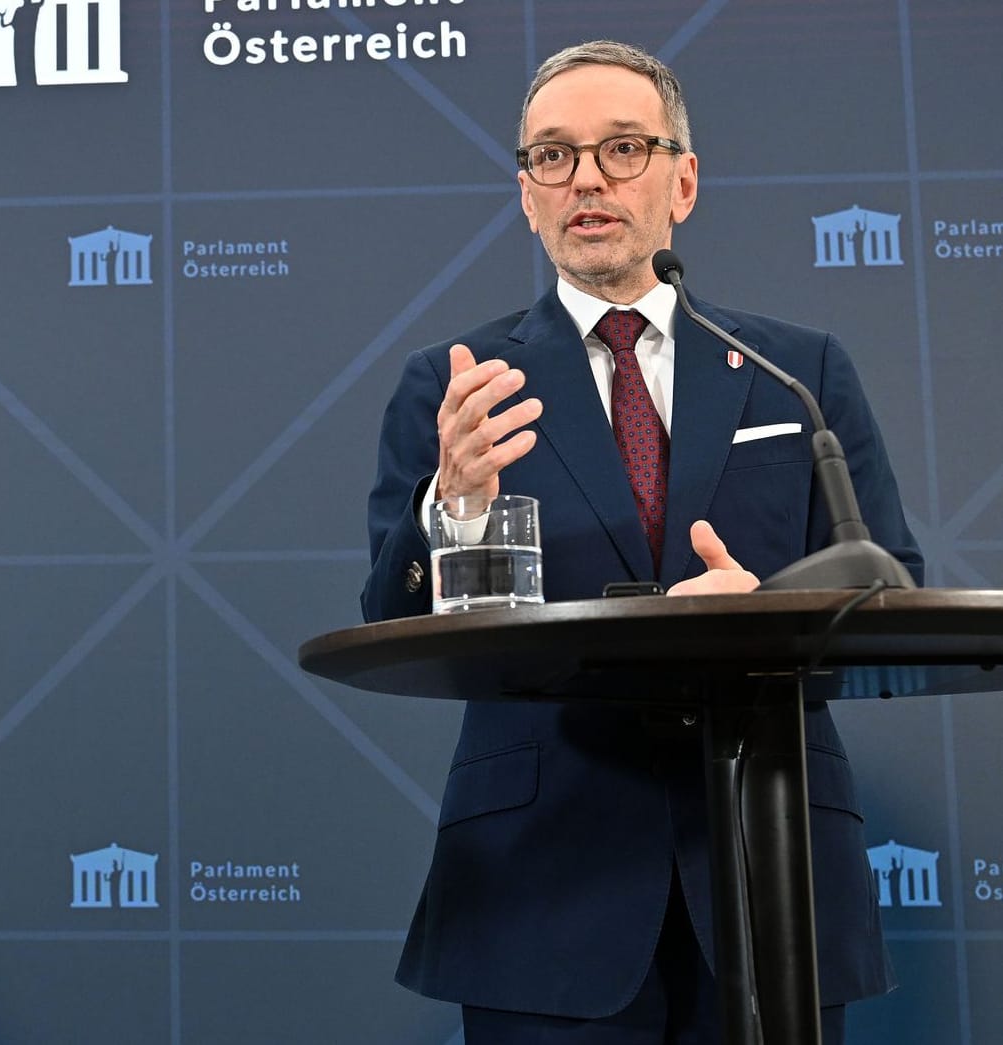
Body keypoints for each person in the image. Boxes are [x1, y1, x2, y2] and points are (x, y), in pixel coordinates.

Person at [359, 40, 921, 1044]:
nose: (587, 179)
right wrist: (453, 502)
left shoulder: (794, 373)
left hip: (768, 866)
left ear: (683, 180)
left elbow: (890, 591)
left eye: (622, 148)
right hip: (543, 881)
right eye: (552, 156)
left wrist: (763, 621)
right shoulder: (455, 386)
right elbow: (398, 625)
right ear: (525, 195)